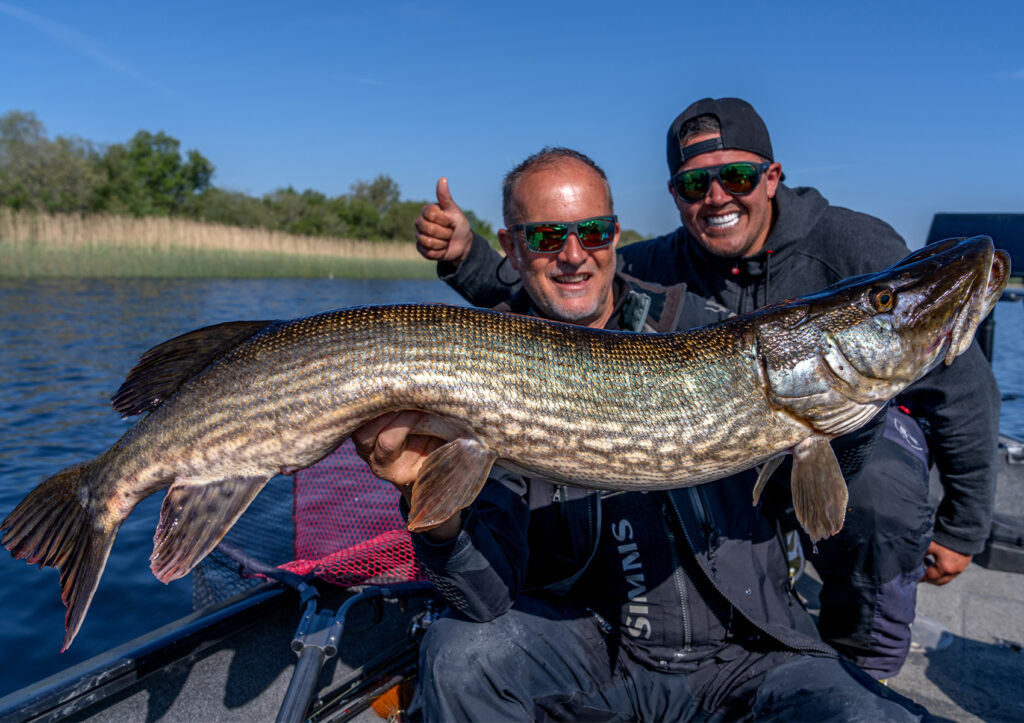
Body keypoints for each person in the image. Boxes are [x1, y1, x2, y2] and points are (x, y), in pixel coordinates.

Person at [412, 99, 1001, 681]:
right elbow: (567, 278)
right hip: (742, 429)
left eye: (737, 176)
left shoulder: (854, 245)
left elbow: (964, 388)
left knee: (879, 483)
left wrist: (961, 529)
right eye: (695, 185)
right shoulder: (657, 259)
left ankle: (862, 660)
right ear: (675, 194)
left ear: (771, 178)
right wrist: (468, 260)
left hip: (838, 414)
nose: (716, 197)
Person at [353, 147, 930, 720]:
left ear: (615, 235)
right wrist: (429, 503)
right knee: (460, 657)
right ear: (511, 247)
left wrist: (849, 414)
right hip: (596, 658)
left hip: (749, 657)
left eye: (594, 232)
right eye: (548, 238)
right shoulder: (485, 380)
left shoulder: (704, 327)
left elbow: (795, 504)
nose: (574, 256)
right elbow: (484, 601)